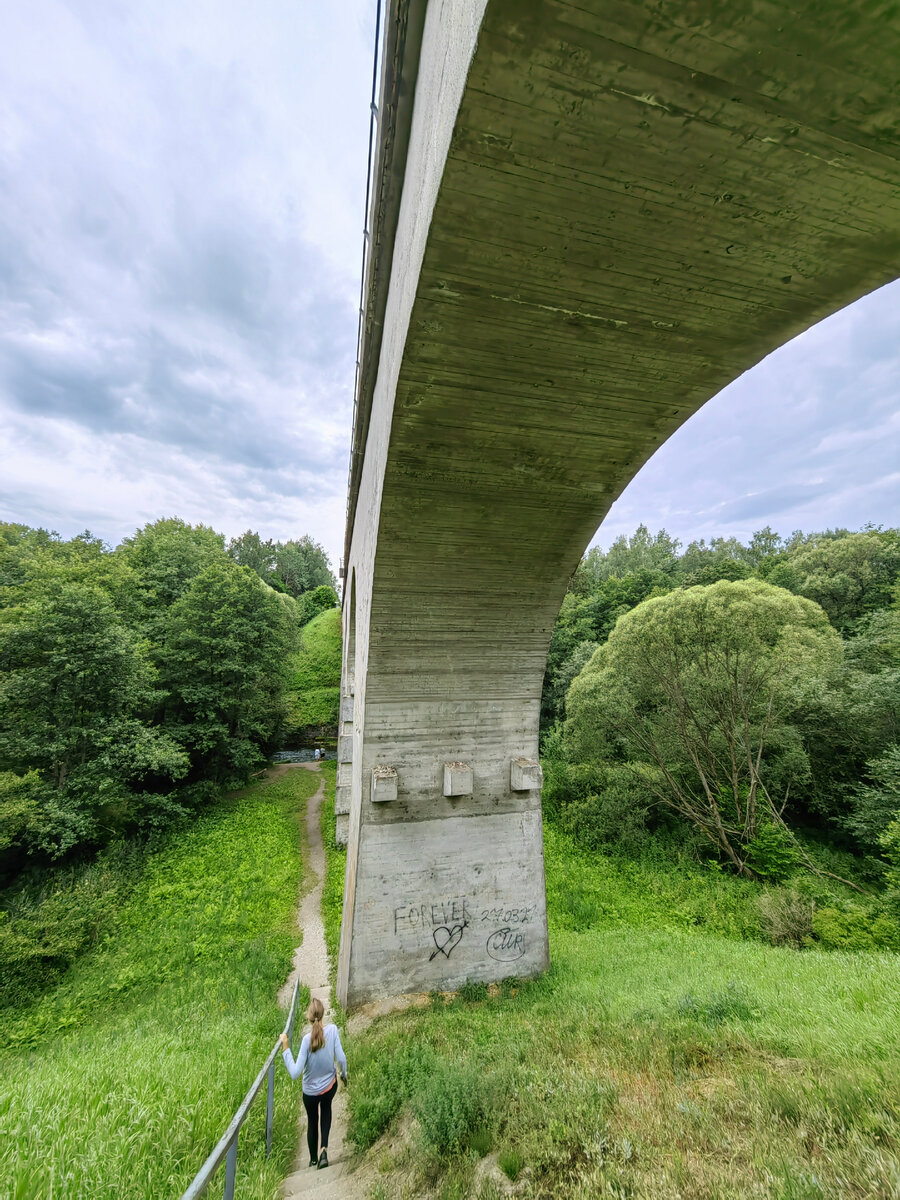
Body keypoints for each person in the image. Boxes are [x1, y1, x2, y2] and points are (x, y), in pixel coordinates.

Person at [280, 998, 348, 1170]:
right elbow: (341, 1058)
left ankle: (312, 1160)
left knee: (312, 1121)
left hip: (310, 1093)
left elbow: (295, 1073)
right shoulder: (332, 1030)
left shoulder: (306, 1041)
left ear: (308, 1018)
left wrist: (286, 1048)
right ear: (323, 1013)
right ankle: (323, 1150)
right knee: (326, 1112)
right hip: (329, 1087)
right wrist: (343, 1074)